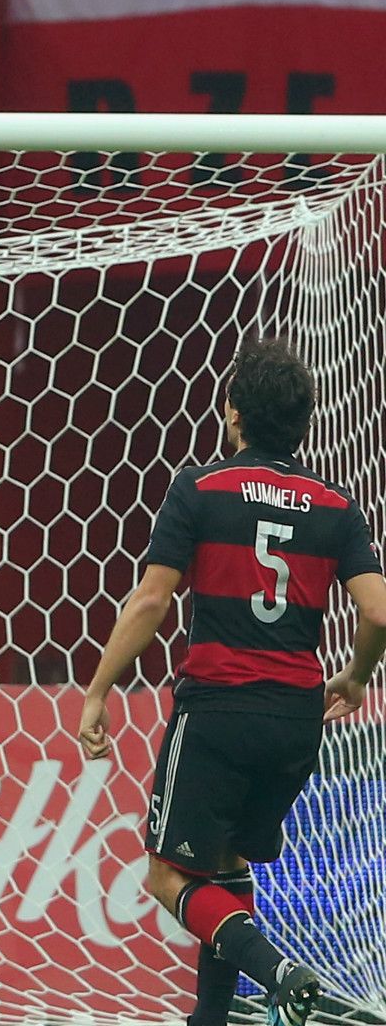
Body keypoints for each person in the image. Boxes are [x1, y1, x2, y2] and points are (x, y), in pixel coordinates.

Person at [77, 339, 386, 1026]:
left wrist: (98, 690)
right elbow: (378, 610)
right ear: (302, 425)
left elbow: (152, 602)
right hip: (296, 724)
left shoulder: (200, 489)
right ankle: (209, 1020)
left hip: (217, 711)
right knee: (223, 863)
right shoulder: (336, 506)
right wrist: (358, 675)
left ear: (234, 414)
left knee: (169, 875)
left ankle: (278, 973)